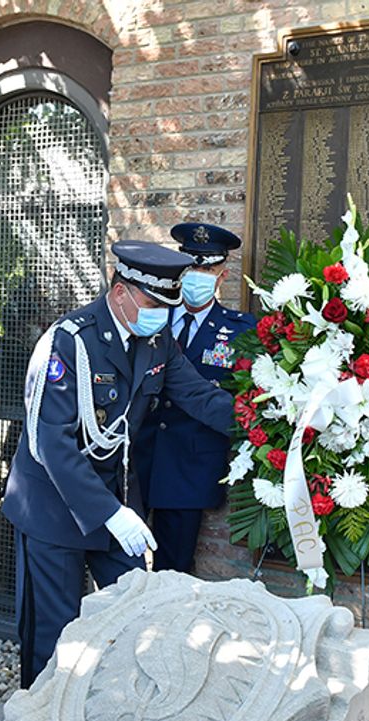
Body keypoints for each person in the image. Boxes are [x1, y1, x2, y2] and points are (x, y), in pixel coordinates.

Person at [2, 240, 237, 687]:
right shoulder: (69, 341)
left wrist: (276, 420)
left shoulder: (156, 338)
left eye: (169, 305)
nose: (163, 315)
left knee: (131, 614)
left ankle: (101, 716)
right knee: (54, 632)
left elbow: (199, 397)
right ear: (120, 293)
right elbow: (52, 442)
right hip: (53, 505)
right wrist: (112, 515)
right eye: (153, 304)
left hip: (113, 500)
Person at [135, 223, 255, 573]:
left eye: (207, 269)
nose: (197, 276)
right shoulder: (151, 319)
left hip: (189, 462)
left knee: (174, 567)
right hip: (140, 454)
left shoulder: (240, 330)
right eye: (191, 267)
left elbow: (242, 397)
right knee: (121, 563)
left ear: (222, 276)